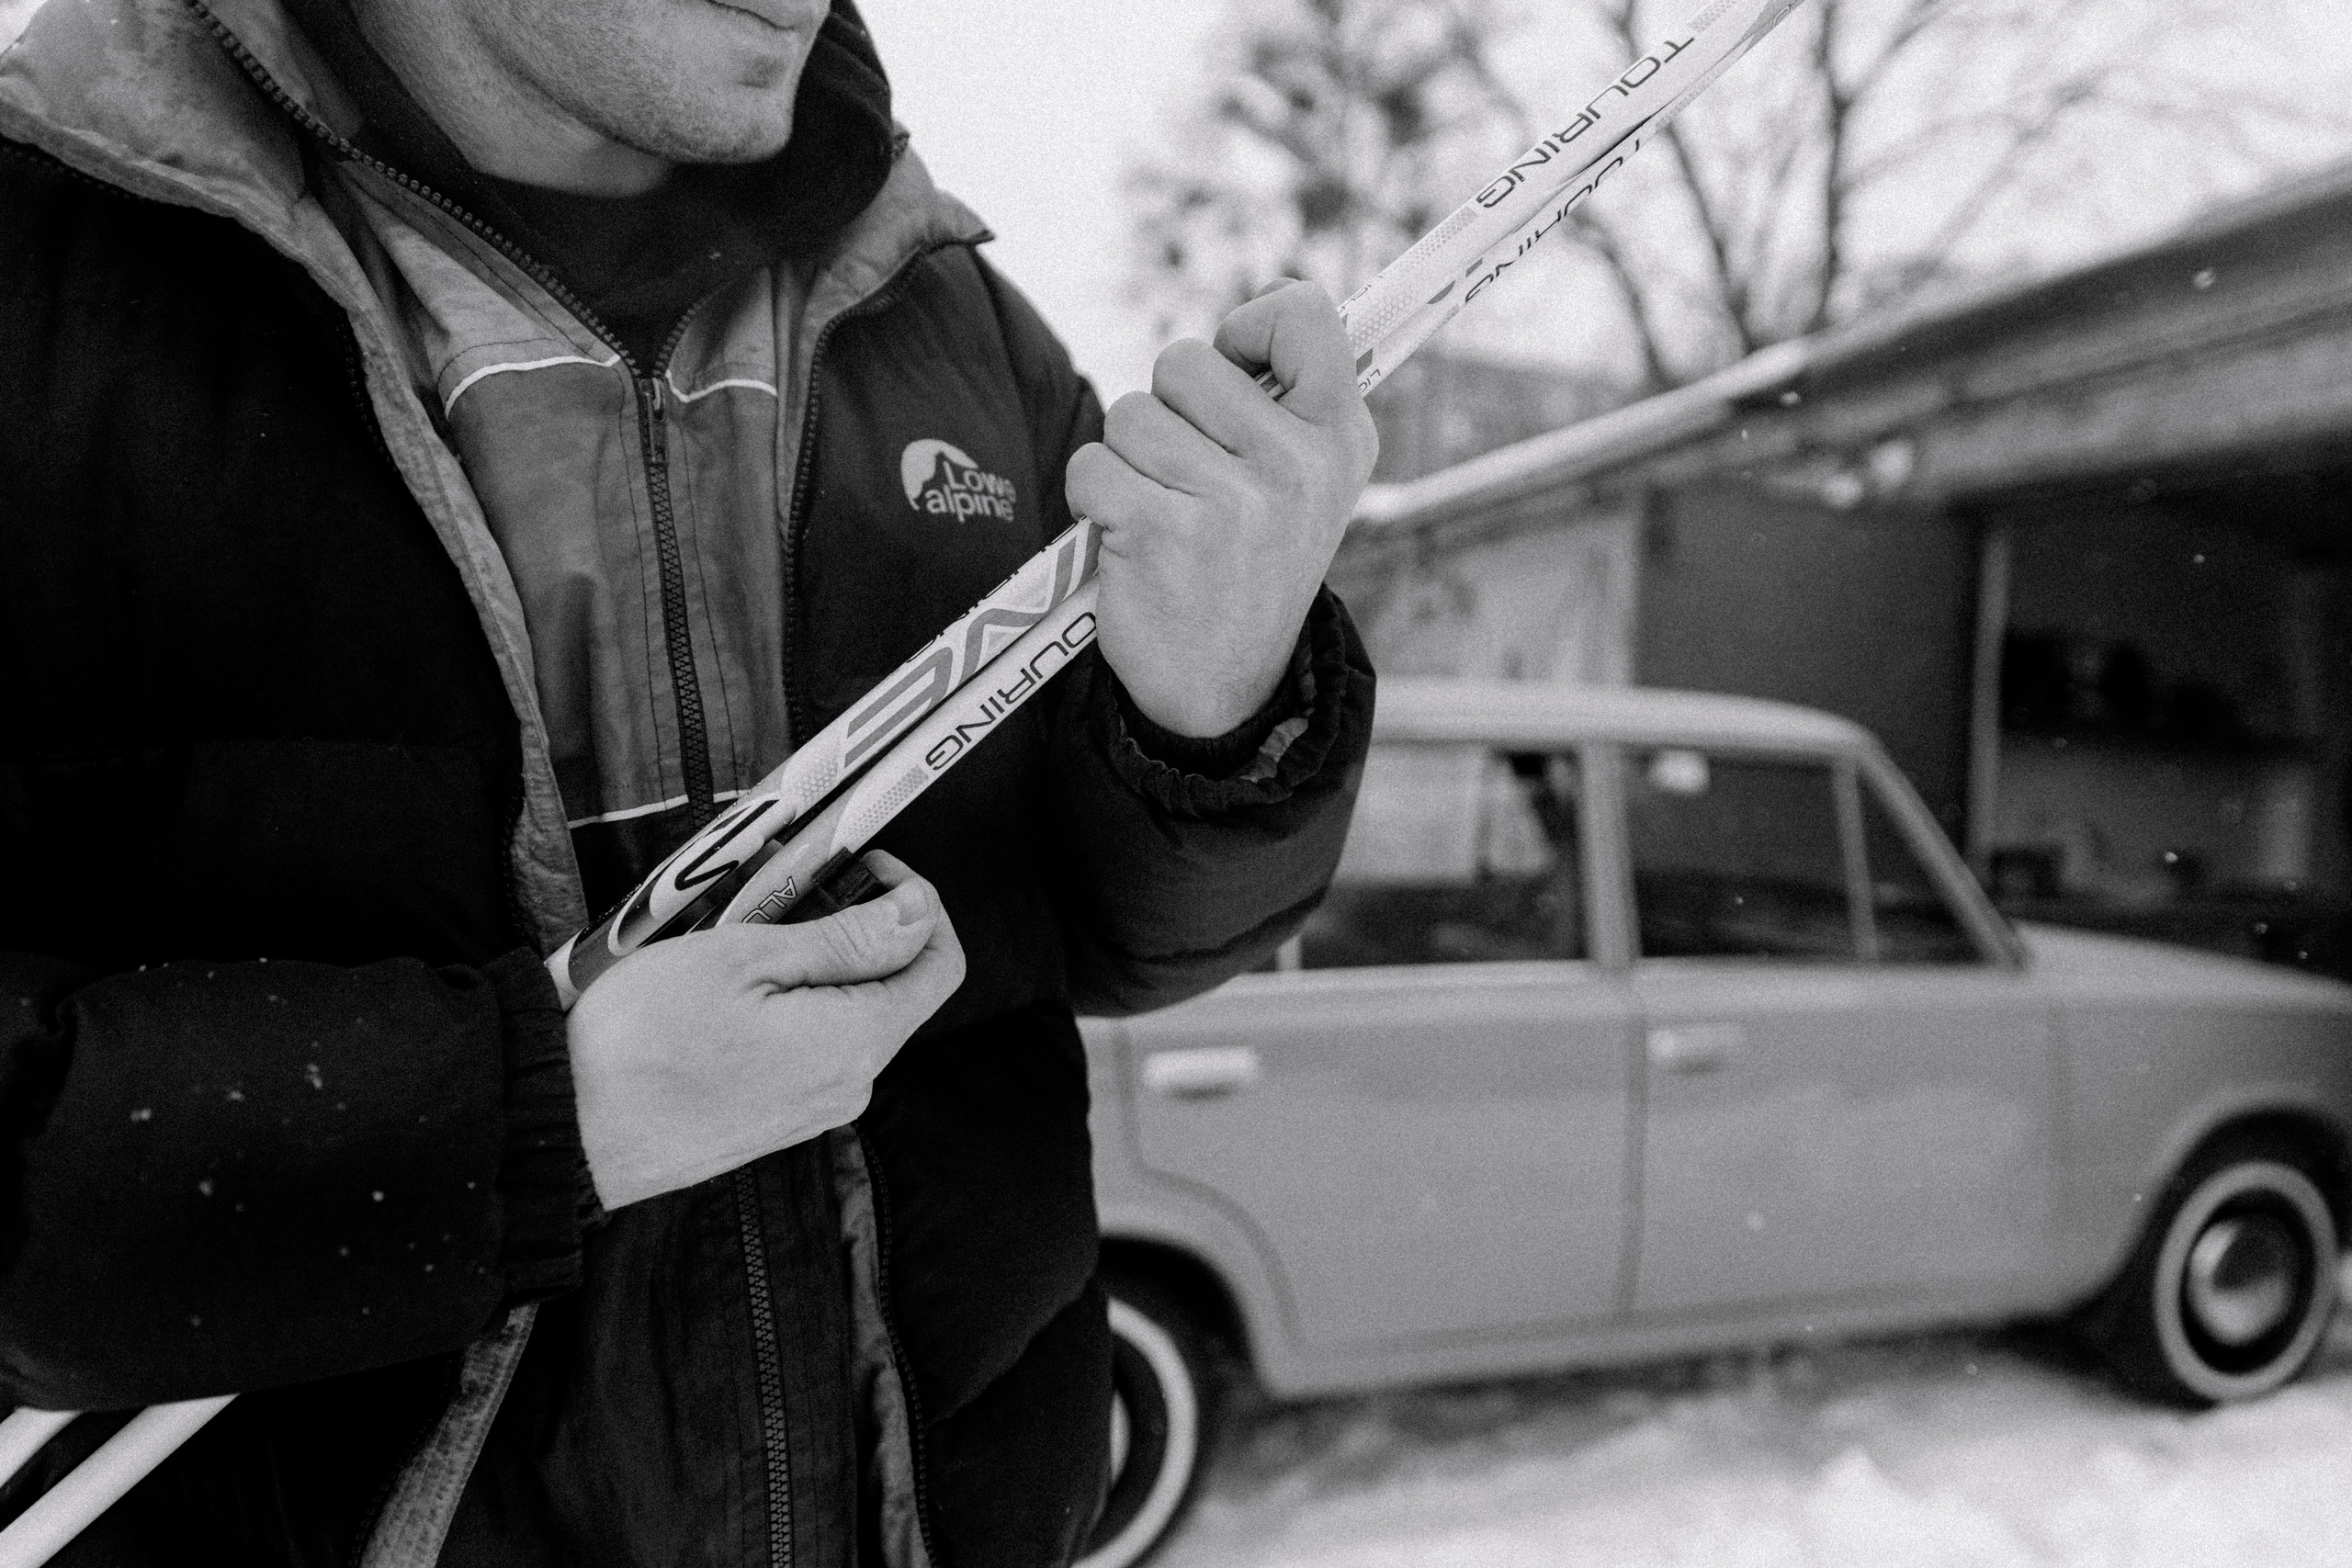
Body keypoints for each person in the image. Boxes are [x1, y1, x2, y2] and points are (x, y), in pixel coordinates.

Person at [0, 0, 1377, 1560]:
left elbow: (1137, 939)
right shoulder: (45, 279)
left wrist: (1219, 702)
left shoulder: (937, 312)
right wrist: (533, 1123)